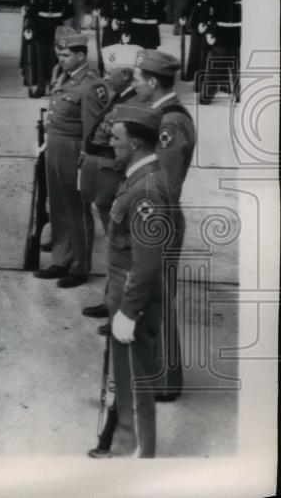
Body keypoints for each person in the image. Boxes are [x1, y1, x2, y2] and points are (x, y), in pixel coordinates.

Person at [88, 105, 174, 458]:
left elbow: (147, 261)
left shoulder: (147, 188)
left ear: (136, 142)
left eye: (116, 138)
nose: (111, 143)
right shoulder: (138, 175)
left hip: (133, 301)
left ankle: (137, 456)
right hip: (124, 294)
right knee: (125, 379)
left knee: (135, 383)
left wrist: (129, 311)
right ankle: (126, 446)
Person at [132, 49, 195, 401]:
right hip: (154, 217)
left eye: (139, 79)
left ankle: (167, 383)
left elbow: (166, 184)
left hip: (161, 220)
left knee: (159, 300)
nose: (135, 84)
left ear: (153, 82)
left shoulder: (171, 123)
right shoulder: (159, 113)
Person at [34, 31, 108, 288]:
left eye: (66, 55)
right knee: (58, 206)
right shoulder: (66, 77)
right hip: (55, 148)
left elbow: (93, 127)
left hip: (75, 151)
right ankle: (61, 258)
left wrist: (87, 160)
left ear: (80, 55)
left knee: (76, 209)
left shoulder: (91, 85)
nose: (61, 59)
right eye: (60, 55)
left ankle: (80, 267)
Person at [79, 43, 143, 322]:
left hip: (113, 174)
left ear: (127, 75)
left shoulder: (130, 101)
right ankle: (111, 301)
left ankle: (120, 308)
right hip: (104, 171)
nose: (107, 78)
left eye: (112, 72)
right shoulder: (121, 95)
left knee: (121, 248)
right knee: (114, 248)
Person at [25, 0, 73, 98]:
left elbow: (68, 10)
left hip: (56, 26)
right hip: (40, 26)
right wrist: (29, 27)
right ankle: (40, 86)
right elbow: (31, 11)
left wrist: (67, 29)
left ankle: (53, 86)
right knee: (40, 58)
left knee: (55, 58)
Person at [199, 0, 242, 104]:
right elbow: (210, 18)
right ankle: (206, 96)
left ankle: (240, 95)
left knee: (238, 68)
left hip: (237, 36)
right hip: (220, 36)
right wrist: (209, 33)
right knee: (215, 67)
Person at [179, 0, 221, 83]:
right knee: (195, 48)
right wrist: (184, 15)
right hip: (198, 20)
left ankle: (205, 74)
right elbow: (190, 2)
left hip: (212, 21)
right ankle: (191, 73)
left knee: (208, 49)